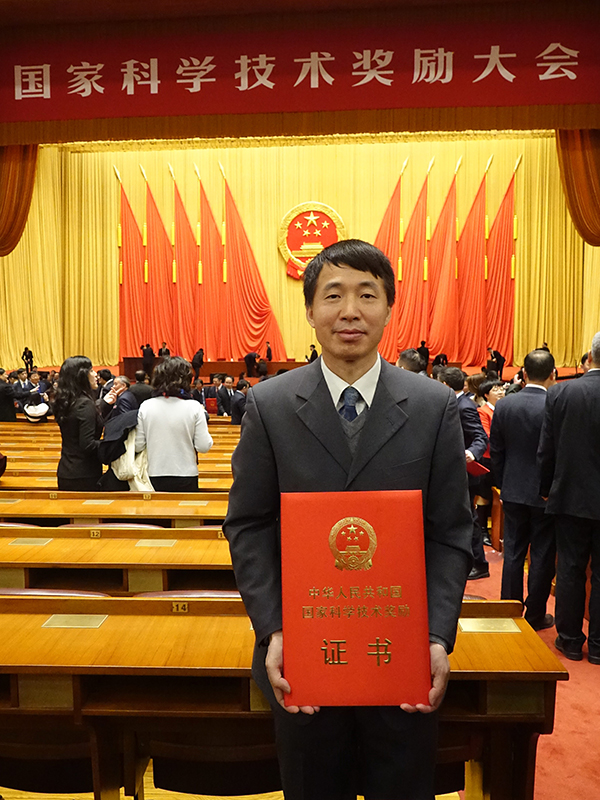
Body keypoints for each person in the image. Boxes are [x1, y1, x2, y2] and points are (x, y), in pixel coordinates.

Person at [224, 239, 472, 800]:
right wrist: (274, 630)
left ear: (389, 307)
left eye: (367, 294)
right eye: (333, 295)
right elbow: (249, 525)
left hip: (400, 657)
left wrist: (434, 636)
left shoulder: (433, 406)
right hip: (306, 657)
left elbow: (451, 531)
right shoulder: (270, 405)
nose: (350, 310)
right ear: (310, 311)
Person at [538, 331, 600, 664]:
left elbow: (546, 449)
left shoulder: (562, 392)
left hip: (570, 497)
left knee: (571, 569)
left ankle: (571, 640)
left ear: (589, 357)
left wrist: (546, 487)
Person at [490, 349, 557, 631]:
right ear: (553, 375)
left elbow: (496, 451)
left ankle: (510, 606)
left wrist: (503, 484)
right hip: (546, 494)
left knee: (514, 552)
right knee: (542, 554)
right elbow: (555, 453)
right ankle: (535, 614)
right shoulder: (556, 404)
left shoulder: (505, 405)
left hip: (513, 489)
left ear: (524, 374)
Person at [439, 366, 489, 580]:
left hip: (465, 474)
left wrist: (471, 453)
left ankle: (479, 563)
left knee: (470, 519)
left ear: (445, 385)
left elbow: (480, 437)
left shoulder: (464, 406)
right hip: (452, 474)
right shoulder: (453, 403)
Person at [135, 356, 213, 492]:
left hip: (154, 473)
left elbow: (138, 445)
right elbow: (203, 446)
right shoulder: (194, 407)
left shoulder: (146, 406)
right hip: (186, 474)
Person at [54, 356, 105, 491]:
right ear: (81, 375)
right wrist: (111, 443)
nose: (96, 374)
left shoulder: (68, 401)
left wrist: (105, 405)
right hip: (84, 474)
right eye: (92, 371)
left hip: (67, 470)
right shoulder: (85, 404)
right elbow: (87, 445)